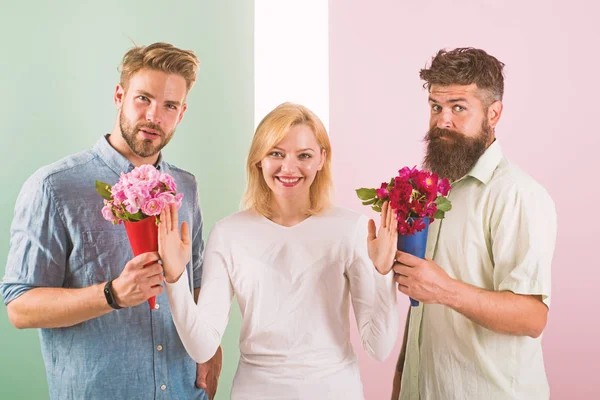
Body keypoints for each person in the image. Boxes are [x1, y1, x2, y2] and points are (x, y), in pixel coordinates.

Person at [1, 42, 221, 400]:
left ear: (181, 114)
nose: (154, 116)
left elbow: (195, 284)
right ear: (119, 95)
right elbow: (20, 307)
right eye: (143, 99)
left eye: (170, 105)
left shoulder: (186, 187)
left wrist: (211, 348)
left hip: (184, 392)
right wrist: (112, 294)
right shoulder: (55, 187)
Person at [157, 102, 400, 399]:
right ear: (259, 159)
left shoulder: (351, 229)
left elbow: (379, 347)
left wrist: (384, 273)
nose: (289, 167)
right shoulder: (229, 233)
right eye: (276, 153)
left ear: (322, 158)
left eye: (304, 155)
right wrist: (174, 276)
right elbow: (202, 346)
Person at [391, 48, 557, 400]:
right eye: (436, 107)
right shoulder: (429, 188)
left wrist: (445, 290)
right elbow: (422, 300)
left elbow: (532, 317)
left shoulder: (518, 195)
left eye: (458, 107)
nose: (442, 121)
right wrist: (401, 381)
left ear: (493, 113)